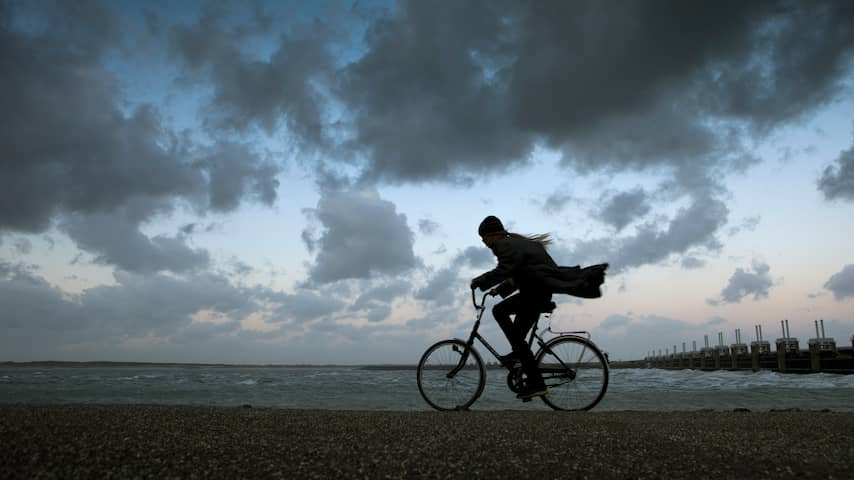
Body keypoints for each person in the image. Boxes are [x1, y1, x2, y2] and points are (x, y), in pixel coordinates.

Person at [469, 215, 559, 401]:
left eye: (484, 237)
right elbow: (519, 273)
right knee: (517, 339)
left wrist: (480, 281)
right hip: (540, 290)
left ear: (493, 235)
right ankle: (519, 360)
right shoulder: (516, 243)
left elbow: (505, 270)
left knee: (498, 311)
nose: (483, 242)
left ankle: (537, 383)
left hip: (536, 292)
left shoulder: (504, 245)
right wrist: (500, 289)